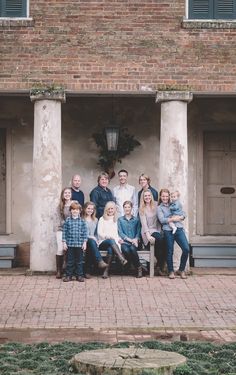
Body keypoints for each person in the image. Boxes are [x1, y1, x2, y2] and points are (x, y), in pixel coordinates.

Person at [157, 188, 189, 280]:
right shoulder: (159, 208)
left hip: (178, 229)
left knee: (186, 249)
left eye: (167, 196)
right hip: (167, 230)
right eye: (163, 196)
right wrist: (173, 219)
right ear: (161, 197)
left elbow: (183, 213)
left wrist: (182, 217)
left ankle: (181, 270)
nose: (165, 198)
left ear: (169, 196)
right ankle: (171, 271)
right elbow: (162, 220)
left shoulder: (174, 203)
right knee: (169, 251)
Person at [97, 201, 127, 278]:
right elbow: (99, 233)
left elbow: (119, 232)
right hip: (103, 242)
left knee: (110, 249)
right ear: (106, 210)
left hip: (114, 243)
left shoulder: (117, 219)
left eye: (112, 209)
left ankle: (106, 271)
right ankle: (121, 258)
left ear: (115, 210)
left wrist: (120, 239)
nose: (110, 210)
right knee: (111, 240)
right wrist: (107, 236)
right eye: (108, 209)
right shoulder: (102, 219)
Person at [139, 189, 166, 275]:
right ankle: (157, 267)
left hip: (156, 230)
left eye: (148, 195)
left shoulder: (156, 205)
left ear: (151, 196)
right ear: (143, 198)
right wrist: (148, 236)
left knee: (164, 243)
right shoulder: (142, 208)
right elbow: (144, 224)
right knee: (159, 241)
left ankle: (158, 266)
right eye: (145, 196)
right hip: (146, 232)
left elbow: (158, 220)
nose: (147, 197)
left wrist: (159, 231)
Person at [62, 201, 88, 282]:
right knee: (70, 261)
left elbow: (85, 233)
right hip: (70, 244)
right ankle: (68, 275)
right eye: (73, 209)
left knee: (80, 261)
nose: (75, 211)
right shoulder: (68, 220)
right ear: (70, 210)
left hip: (79, 245)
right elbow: (64, 232)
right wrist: (64, 242)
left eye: (77, 210)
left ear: (80, 211)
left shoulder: (82, 221)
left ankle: (79, 275)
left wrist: (84, 242)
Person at [81, 201, 108, 277]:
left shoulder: (95, 220)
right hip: (83, 240)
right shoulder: (81, 219)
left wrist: (97, 239)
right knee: (91, 242)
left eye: (92, 209)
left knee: (91, 244)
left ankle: (87, 271)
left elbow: (96, 233)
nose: (90, 210)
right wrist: (90, 237)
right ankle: (99, 261)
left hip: (92, 242)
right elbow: (81, 233)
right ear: (85, 209)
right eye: (88, 208)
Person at [118, 201, 142, 278]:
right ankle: (133, 265)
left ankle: (138, 268)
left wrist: (136, 239)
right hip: (125, 242)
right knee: (125, 250)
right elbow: (120, 232)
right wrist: (129, 240)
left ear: (131, 208)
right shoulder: (120, 219)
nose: (127, 209)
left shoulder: (136, 219)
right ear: (123, 208)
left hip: (135, 242)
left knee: (132, 249)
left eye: (129, 207)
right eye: (125, 207)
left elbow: (138, 231)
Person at [56, 187, 73, 279]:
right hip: (61, 230)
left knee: (69, 249)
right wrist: (68, 223)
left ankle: (67, 270)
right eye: (65, 193)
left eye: (69, 193)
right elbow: (60, 220)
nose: (67, 194)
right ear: (63, 195)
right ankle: (59, 270)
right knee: (61, 248)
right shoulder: (60, 206)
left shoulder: (74, 204)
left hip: (72, 230)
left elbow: (77, 216)